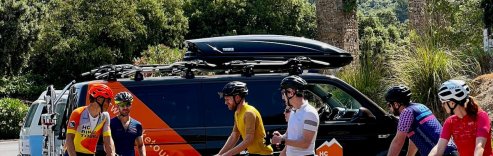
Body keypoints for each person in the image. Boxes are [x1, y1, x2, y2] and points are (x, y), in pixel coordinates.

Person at [385, 85, 457, 156]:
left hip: (441, 153)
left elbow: (398, 142)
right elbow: (415, 140)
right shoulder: (420, 106)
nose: (389, 109)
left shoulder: (406, 112)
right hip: (452, 151)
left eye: (389, 105)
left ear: (396, 104)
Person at [429, 80, 492, 156]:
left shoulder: (481, 116)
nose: (443, 105)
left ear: (452, 103)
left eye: (443, 102)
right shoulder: (450, 122)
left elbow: (479, 146)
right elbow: (439, 148)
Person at [216, 81, 273, 156]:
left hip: (263, 154)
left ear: (237, 97)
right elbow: (234, 136)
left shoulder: (249, 113)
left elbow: (248, 140)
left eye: (227, 99)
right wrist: (219, 154)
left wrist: (226, 155)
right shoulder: (237, 113)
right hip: (253, 153)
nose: (225, 102)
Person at [272, 75, 319, 156]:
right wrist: (281, 137)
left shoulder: (310, 113)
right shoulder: (293, 111)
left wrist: (282, 140)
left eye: (283, 93)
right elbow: (290, 136)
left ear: (291, 92)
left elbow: (305, 143)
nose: (283, 97)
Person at [65, 84, 115, 156]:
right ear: (99, 99)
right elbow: (69, 138)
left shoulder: (105, 116)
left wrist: (111, 154)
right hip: (73, 152)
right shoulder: (78, 113)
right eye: (108, 100)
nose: (109, 104)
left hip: (90, 153)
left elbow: (107, 138)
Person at [111, 92, 145, 156]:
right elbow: (105, 144)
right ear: (117, 106)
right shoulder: (111, 124)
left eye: (128, 104)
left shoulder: (137, 125)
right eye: (122, 105)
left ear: (131, 105)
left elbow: (140, 145)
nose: (125, 107)